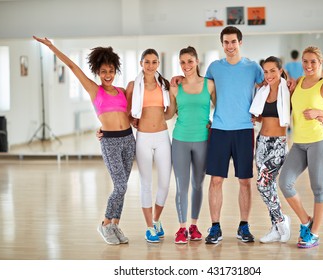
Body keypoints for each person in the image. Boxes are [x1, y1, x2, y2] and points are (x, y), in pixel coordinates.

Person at [33, 36, 136, 245]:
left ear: (116, 70)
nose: (108, 75)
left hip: (128, 139)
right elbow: (72, 66)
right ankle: (106, 223)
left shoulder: (123, 91)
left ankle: (116, 224)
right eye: (104, 71)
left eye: (111, 71)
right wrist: (52, 46)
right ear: (98, 72)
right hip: (111, 142)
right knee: (120, 186)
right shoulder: (94, 90)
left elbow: (127, 115)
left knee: (123, 185)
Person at [202, 26, 264, 244]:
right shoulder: (214, 68)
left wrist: (262, 115)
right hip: (219, 130)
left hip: (244, 130)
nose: (230, 46)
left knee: (245, 181)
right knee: (216, 180)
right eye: (226, 42)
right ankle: (215, 227)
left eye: (233, 42)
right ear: (222, 44)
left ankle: (244, 226)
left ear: (240, 42)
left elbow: (270, 88)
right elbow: (203, 92)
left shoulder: (253, 67)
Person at [279, 46, 323, 249]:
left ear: (320, 64)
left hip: (319, 142)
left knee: (318, 188)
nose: (308, 65)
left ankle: (313, 234)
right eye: (305, 61)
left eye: (313, 61)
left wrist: (319, 112)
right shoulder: (297, 82)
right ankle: (306, 221)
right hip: (299, 142)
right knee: (285, 182)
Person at [167, 46, 216, 244]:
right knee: (181, 186)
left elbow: (221, 108)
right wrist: (143, 119)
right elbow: (169, 113)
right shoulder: (174, 87)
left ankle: (194, 226)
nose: (186, 65)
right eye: (182, 62)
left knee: (198, 184)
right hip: (180, 139)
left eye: (189, 61)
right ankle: (181, 228)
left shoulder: (210, 85)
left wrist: (213, 122)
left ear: (197, 61)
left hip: (203, 140)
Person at [128, 48, 173, 243]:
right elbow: (127, 112)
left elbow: (170, 112)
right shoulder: (133, 85)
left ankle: (156, 220)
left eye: (154, 62)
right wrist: (133, 121)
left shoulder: (164, 84)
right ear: (141, 63)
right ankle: (148, 227)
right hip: (143, 138)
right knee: (145, 184)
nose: (150, 65)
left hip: (163, 136)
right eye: (147, 62)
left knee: (164, 182)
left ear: (158, 64)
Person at [249, 56, 292, 243]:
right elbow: (263, 116)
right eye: (265, 71)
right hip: (262, 142)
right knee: (270, 186)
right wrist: (256, 119)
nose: (268, 75)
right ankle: (275, 228)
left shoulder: (289, 89)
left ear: (280, 71)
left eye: (272, 70)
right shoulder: (262, 91)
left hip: (278, 144)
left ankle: (282, 221)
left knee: (262, 184)